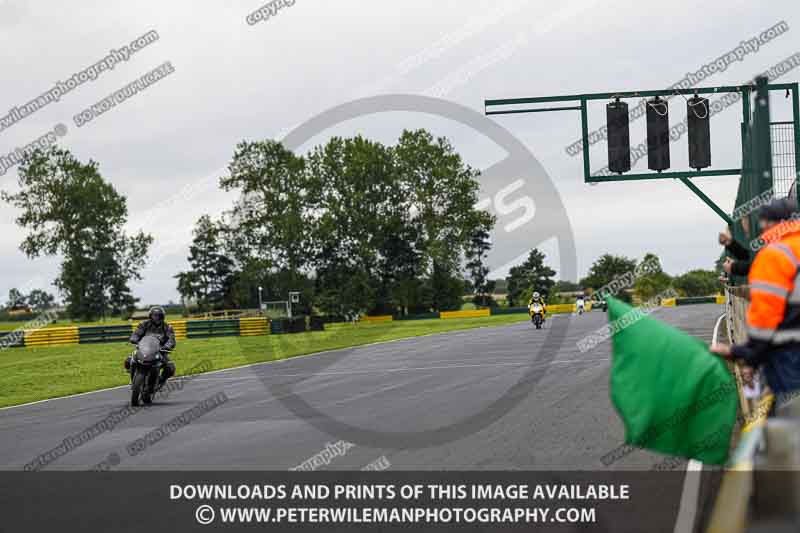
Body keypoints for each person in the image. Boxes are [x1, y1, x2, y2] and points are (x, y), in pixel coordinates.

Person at [711, 198, 800, 398]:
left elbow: (766, 317)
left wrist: (748, 357)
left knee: (787, 422)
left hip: (789, 356)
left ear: (769, 223)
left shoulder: (775, 255)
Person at [126, 306, 176, 389]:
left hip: (160, 351)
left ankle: (160, 381)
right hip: (143, 349)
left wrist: (167, 346)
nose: (156, 318)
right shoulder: (144, 324)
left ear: (162, 316)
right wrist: (134, 340)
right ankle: (133, 378)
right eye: (154, 315)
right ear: (150, 316)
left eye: (158, 316)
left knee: (170, 368)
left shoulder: (167, 327)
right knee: (128, 361)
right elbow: (136, 334)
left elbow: (171, 340)